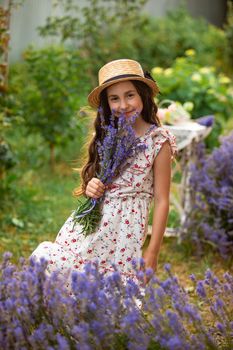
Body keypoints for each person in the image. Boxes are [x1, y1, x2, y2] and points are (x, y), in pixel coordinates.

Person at [31, 59, 177, 285]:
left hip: (125, 231)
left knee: (109, 284)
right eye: (114, 98)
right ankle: (62, 316)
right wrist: (91, 185)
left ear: (143, 95)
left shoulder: (158, 141)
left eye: (130, 95)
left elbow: (162, 200)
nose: (123, 104)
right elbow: (95, 176)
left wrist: (153, 252)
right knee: (69, 269)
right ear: (107, 104)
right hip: (95, 220)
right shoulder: (109, 134)